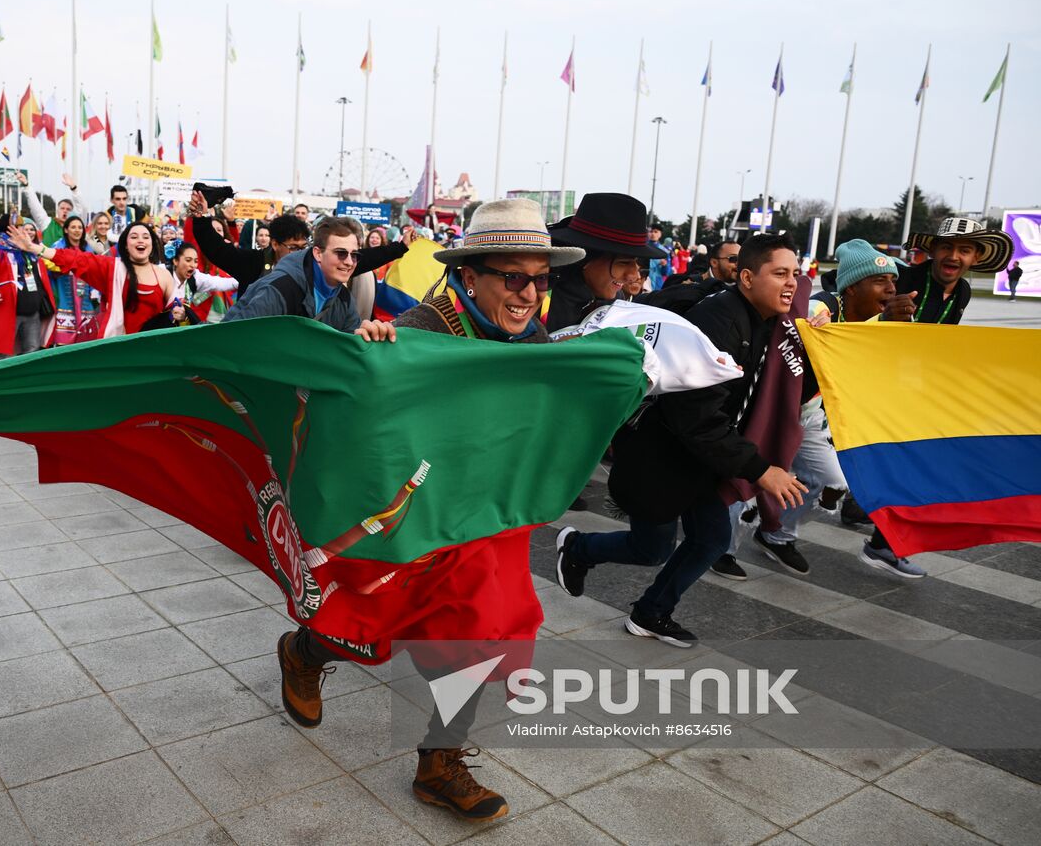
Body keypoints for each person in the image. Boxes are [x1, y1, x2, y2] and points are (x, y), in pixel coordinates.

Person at [276, 198, 581, 822]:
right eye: (513, 277)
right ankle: (305, 653)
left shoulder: (536, 336)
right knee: (366, 629)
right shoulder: (421, 327)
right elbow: (351, 413)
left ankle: (439, 763)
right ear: (470, 277)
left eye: (540, 279)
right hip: (412, 518)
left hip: (487, 519)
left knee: (486, 631)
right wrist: (372, 355)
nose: (529, 294)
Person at [555, 233, 812, 646]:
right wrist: (760, 470)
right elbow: (696, 418)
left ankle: (651, 613)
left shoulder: (768, 323)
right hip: (662, 457)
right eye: (780, 273)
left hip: (701, 459)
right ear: (747, 277)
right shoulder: (719, 323)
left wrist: (812, 342)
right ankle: (578, 548)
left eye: (796, 275)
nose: (791, 284)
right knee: (651, 549)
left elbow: (784, 385)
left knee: (710, 539)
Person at [712, 239, 903, 581]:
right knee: (749, 481)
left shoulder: (877, 323)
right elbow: (776, 343)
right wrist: (805, 334)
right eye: (880, 281)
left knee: (832, 482)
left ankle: (777, 534)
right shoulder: (816, 310)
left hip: (810, 416)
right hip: (771, 412)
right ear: (852, 287)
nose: (890, 289)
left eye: (893, 282)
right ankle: (721, 549)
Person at [7, 221, 178, 337]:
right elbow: (75, 259)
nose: (140, 240)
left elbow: (176, 311)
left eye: (145, 237)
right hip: (119, 347)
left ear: (152, 243)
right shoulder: (112, 267)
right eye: (134, 237)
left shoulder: (163, 275)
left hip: (154, 349)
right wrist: (35, 248)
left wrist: (180, 313)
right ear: (125, 245)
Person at [221, 216, 380, 333]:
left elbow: (349, 350)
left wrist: (369, 336)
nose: (349, 262)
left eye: (355, 255)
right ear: (318, 254)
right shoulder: (281, 289)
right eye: (341, 253)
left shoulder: (344, 298)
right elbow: (235, 338)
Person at [546, 193, 668, 331]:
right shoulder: (538, 300)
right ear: (584, 258)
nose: (635, 276)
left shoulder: (615, 301)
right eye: (623, 263)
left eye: (636, 262)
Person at [891, 217, 1013, 324]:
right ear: (932, 250)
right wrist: (885, 317)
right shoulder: (896, 279)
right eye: (946, 247)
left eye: (964, 251)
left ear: (976, 258)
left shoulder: (963, 291)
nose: (953, 257)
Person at [0, 216, 52, 355]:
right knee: (3, 352)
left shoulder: (30, 250)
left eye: (22, 226)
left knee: (32, 351)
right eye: (19, 226)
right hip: (9, 311)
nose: (23, 230)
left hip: (33, 312)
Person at [47, 217, 101, 345]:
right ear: (66, 230)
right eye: (73, 227)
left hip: (86, 301)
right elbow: (47, 267)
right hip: (64, 299)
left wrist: (95, 291)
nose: (77, 230)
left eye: (80, 227)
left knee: (86, 342)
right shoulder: (57, 247)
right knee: (63, 344)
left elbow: (96, 271)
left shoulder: (88, 248)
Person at [170, 241, 238, 324]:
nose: (193, 265)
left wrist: (247, 279)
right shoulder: (162, 275)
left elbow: (219, 283)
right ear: (175, 261)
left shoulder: (195, 278)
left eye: (195, 261)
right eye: (188, 260)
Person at [19, 172, 87, 248]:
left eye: (68, 209)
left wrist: (74, 189)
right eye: (62, 208)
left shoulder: (76, 226)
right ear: (57, 210)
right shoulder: (47, 223)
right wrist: (26, 186)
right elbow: (35, 206)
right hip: (48, 259)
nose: (65, 211)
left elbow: (83, 209)